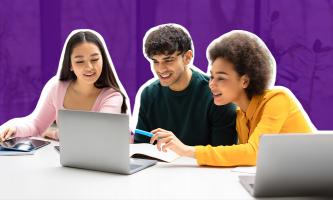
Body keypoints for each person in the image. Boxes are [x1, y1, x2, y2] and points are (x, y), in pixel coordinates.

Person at [149, 30, 316, 167]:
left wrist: (187, 150)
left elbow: (253, 153)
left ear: (244, 81)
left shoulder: (278, 99)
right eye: (212, 77)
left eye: (221, 78)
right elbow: (242, 157)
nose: (211, 84)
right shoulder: (240, 116)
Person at [0, 29, 128, 141]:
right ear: (70, 65)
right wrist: (13, 127)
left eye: (94, 59)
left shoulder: (112, 97)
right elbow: (36, 125)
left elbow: (98, 134)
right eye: (79, 61)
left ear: (103, 60)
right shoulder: (57, 87)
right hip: (66, 162)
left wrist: (55, 134)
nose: (89, 67)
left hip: (99, 164)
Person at [133, 24, 237, 146]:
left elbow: (223, 154)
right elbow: (141, 148)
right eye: (155, 61)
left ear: (187, 57)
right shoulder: (149, 94)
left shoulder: (217, 95)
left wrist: (182, 149)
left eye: (168, 60)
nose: (161, 69)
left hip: (202, 165)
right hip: (160, 165)